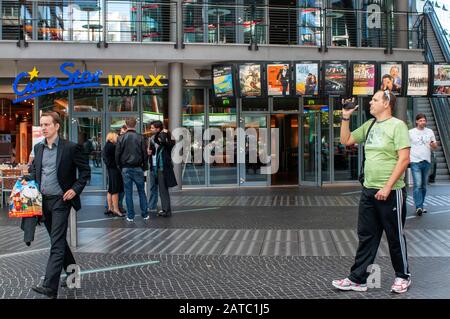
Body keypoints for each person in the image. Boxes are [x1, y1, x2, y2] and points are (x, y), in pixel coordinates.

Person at [332, 90, 412, 294]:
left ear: (387, 104)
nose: (370, 102)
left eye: (375, 100)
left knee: (394, 236)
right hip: (369, 190)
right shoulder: (370, 125)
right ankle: (358, 279)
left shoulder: (398, 126)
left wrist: (387, 187)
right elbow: (346, 140)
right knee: (367, 236)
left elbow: (404, 159)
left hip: (391, 191)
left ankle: (403, 276)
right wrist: (345, 116)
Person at [24, 111, 90, 298]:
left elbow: (85, 172)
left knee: (57, 244)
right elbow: (36, 170)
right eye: (42, 125)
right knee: (57, 240)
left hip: (62, 201)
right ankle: (73, 274)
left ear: (57, 126)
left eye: (47, 125)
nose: (43, 128)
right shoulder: (38, 148)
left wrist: (75, 189)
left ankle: (49, 287)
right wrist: (26, 178)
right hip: (43, 202)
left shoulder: (71, 148)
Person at [115, 117, 148, 222]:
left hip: (126, 168)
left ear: (126, 124)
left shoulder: (120, 138)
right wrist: (144, 167)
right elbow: (144, 154)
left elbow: (117, 154)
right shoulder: (141, 137)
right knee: (141, 192)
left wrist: (120, 166)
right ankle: (145, 214)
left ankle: (130, 216)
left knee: (128, 193)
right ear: (135, 125)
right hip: (138, 167)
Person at [409, 113, 438, 216]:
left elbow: (435, 146)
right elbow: (407, 146)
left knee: (424, 186)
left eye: (424, 120)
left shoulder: (429, 131)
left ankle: (421, 205)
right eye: (420, 120)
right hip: (415, 161)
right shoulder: (411, 132)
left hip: (426, 161)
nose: (423, 122)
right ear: (417, 121)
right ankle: (419, 207)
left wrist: (433, 144)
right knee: (417, 185)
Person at [149, 120, 177, 217]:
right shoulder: (159, 139)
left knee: (163, 190)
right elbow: (157, 140)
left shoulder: (167, 143)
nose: (151, 129)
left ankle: (166, 210)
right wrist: (161, 133)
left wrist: (165, 134)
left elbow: (168, 142)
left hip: (163, 168)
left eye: (152, 128)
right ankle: (165, 209)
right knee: (162, 190)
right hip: (159, 168)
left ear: (157, 128)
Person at [103, 132, 125, 217]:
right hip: (114, 170)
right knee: (115, 190)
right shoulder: (112, 146)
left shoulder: (107, 146)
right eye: (116, 136)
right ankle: (116, 209)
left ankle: (110, 208)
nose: (117, 138)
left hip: (110, 169)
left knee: (110, 190)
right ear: (112, 138)